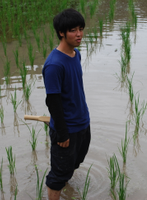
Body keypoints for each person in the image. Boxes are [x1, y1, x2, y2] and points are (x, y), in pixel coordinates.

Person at [42, 8, 91, 200]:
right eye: (73, 30)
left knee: (73, 164)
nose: (79, 34)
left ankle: (66, 188)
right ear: (61, 32)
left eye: (80, 28)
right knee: (57, 176)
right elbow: (53, 101)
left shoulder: (75, 54)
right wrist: (62, 133)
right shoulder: (54, 64)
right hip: (67, 130)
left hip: (82, 123)